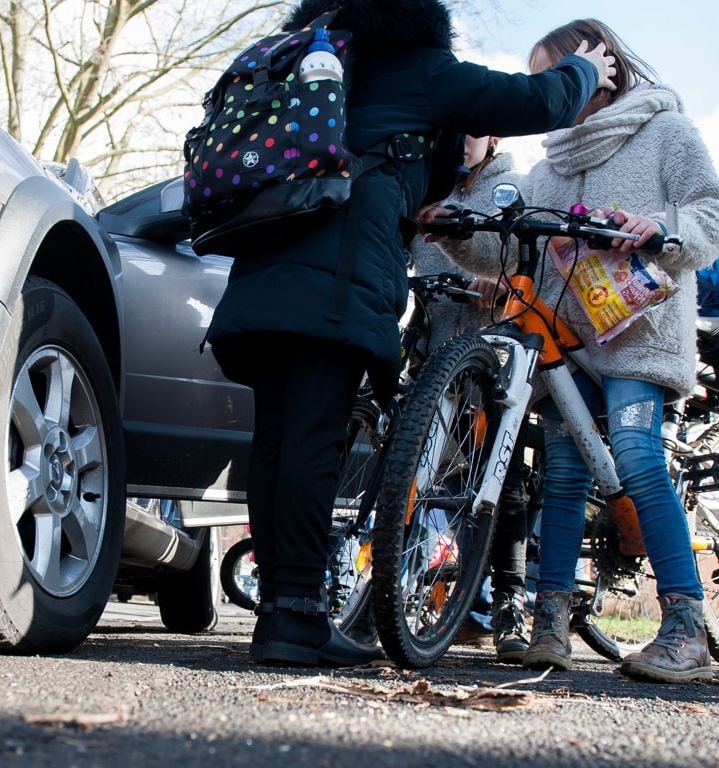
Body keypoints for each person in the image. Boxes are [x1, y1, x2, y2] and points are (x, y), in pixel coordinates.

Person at [204, 0, 616, 667]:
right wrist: (582, 68)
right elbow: (532, 101)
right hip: (331, 288)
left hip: (265, 273)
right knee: (310, 445)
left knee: (279, 444)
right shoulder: (418, 68)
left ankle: (284, 613)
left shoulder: (332, 63)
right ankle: (296, 620)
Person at [423, 19, 719, 683]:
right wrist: (450, 233)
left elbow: (711, 212)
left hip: (639, 337)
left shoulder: (665, 130)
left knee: (639, 460)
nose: (544, 88)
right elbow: (506, 249)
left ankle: (684, 625)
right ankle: (548, 623)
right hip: (569, 346)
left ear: (601, 63)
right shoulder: (551, 165)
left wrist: (661, 228)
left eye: (550, 71)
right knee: (562, 475)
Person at [410, 135, 532, 664]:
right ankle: (401, 589)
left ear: (494, 140)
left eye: (474, 131)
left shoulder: (512, 186)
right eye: (456, 129)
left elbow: (533, 260)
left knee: (501, 485)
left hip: (493, 361)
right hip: (434, 353)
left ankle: (509, 603)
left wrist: (502, 283)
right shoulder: (428, 184)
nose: (463, 141)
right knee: (419, 474)